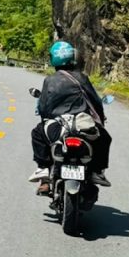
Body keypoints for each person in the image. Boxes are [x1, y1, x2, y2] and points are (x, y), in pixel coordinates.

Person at [29, 40, 112, 187]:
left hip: (58, 127)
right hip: (82, 126)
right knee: (105, 137)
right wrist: (101, 121)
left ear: (53, 58)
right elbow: (96, 102)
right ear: (73, 57)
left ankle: (43, 168)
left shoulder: (50, 80)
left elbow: (43, 107)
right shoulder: (82, 78)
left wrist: (45, 117)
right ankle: (97, 171)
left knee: (37, 133)